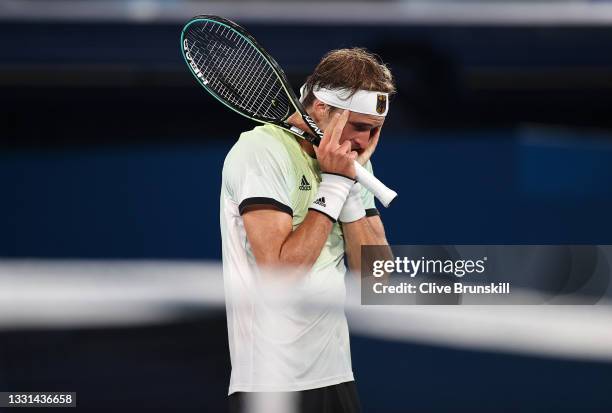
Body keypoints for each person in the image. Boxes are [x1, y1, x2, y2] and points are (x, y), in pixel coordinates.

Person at [220, 48, 395, 413]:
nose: (364, 141)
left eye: (374, 130)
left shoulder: (350, 161)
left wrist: (346, 188)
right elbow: (280, 275)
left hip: (336, 377)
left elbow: (377, 283)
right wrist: (333, 185)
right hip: (270, 384)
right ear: (320, 108)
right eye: (358, 126)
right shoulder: (260, 150)